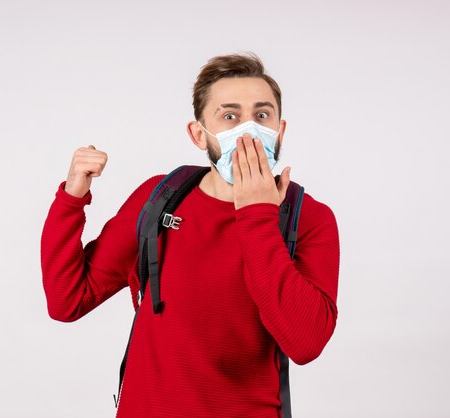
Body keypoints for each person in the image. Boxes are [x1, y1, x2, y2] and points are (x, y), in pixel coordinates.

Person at [41, 53, 340, 418]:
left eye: (261, 115)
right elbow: (67, 300)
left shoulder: (310, 218)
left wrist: (256, 216)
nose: (248, 130)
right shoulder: (161, 197)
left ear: (280, 130)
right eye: (230, 116)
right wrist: (71, 198)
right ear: (199, 135)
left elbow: (306, 343)